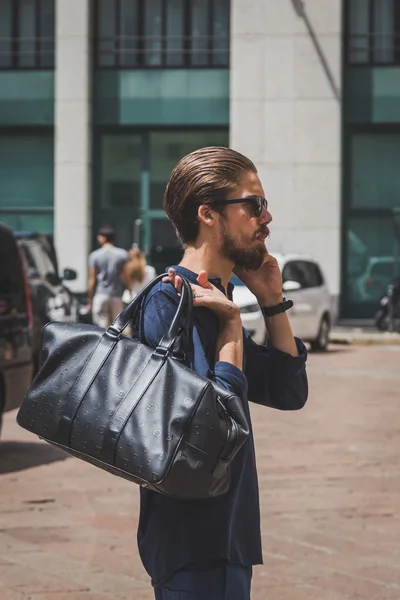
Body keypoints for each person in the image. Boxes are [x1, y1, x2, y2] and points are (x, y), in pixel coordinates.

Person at [137, 146, 308, 600]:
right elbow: (207, 424)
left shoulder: (216, 298)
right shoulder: (169, 301)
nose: (265, 218)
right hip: (190, 541)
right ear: (208, 214)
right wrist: (232, 326)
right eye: (253, 205)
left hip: (230, 536)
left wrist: (272, 302)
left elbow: (289, 390)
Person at [87, 227, 128, 328]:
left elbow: (92, 279)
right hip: (116, 295)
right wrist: (130, 291)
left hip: (101, 294)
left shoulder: (95, 255)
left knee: (101, 329)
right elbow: (125, 276)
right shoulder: (122, 254)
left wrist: (90, 300)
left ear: (103, 238)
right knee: (117, 328)